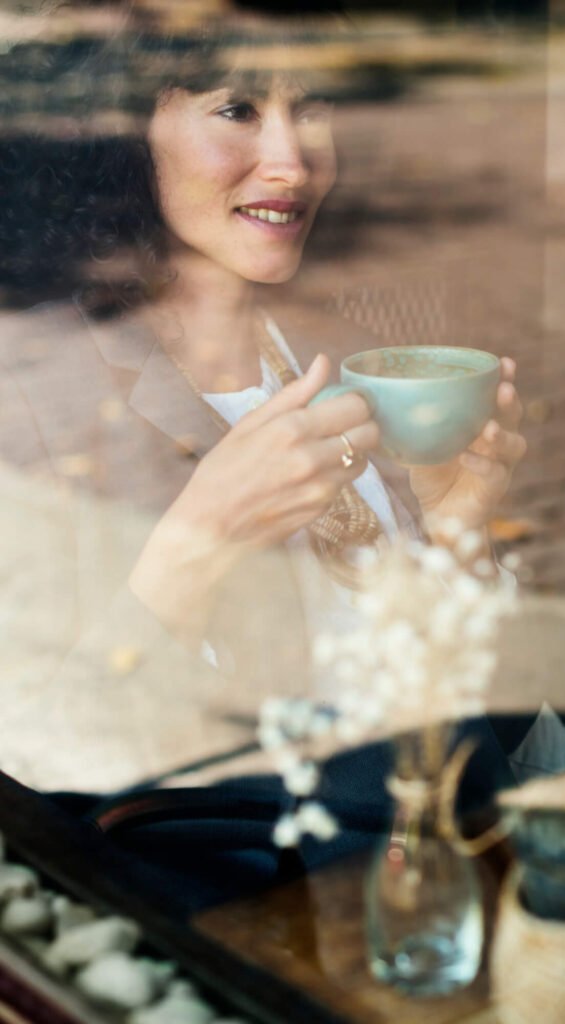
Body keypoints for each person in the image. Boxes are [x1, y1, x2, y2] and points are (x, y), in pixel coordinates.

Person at [0, 9, 526, 797]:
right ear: (127, 133)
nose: (293, 162)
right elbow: (44, 759)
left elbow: (459, 708)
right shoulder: (41, 394)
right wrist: (200, 542)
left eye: (312, 108)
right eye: (237, 109)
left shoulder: (354, 360)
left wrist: (456, 535)